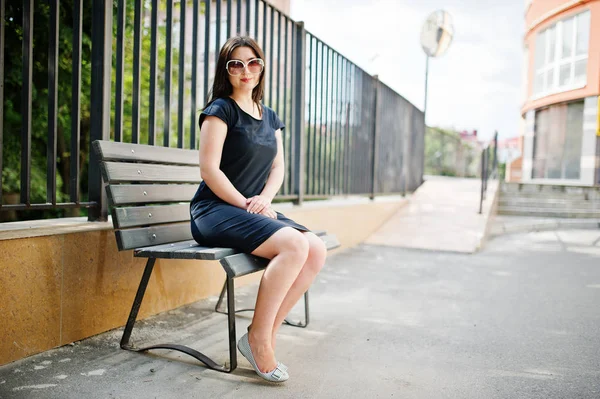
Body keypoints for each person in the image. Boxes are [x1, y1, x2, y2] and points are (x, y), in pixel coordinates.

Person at [189, 36, 327, 383]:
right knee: (294, 245)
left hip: (250, 209)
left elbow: (278, 168)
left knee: (315, 249)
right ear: (226, 70)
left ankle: (264, 334)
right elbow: (209, 170)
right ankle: (258, 341)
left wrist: (264, 199)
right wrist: (248, 204)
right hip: (215, 210)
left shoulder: (270, 117)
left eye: (253, 63)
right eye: (236, 64)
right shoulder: (220, 110)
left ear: (262, 67)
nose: (245, 70)